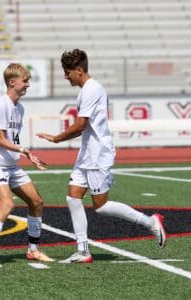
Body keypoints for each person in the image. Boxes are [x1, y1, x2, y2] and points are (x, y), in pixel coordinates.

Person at [37, 49, 166, 264]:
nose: (65, 76)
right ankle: (83, 250)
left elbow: (80, 124)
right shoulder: (85, 90)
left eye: (67, 72)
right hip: (87, 152)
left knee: (101, 206)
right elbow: (82, 127)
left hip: (98, 154)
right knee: (73, 197)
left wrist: (56, 139)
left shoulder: (91, 89)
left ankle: (150, 222)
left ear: (79, 70)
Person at [0, 63, 54, 268]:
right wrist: (24, 151)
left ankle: (33, 250)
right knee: (7, 204)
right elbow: (0, 140)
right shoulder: (1, 104)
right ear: (12, 82)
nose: (28, 84)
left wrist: (27, 156)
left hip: (9, 163)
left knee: (36, 201)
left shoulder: (19, 107)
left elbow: (12, 139)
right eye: (25, 81)